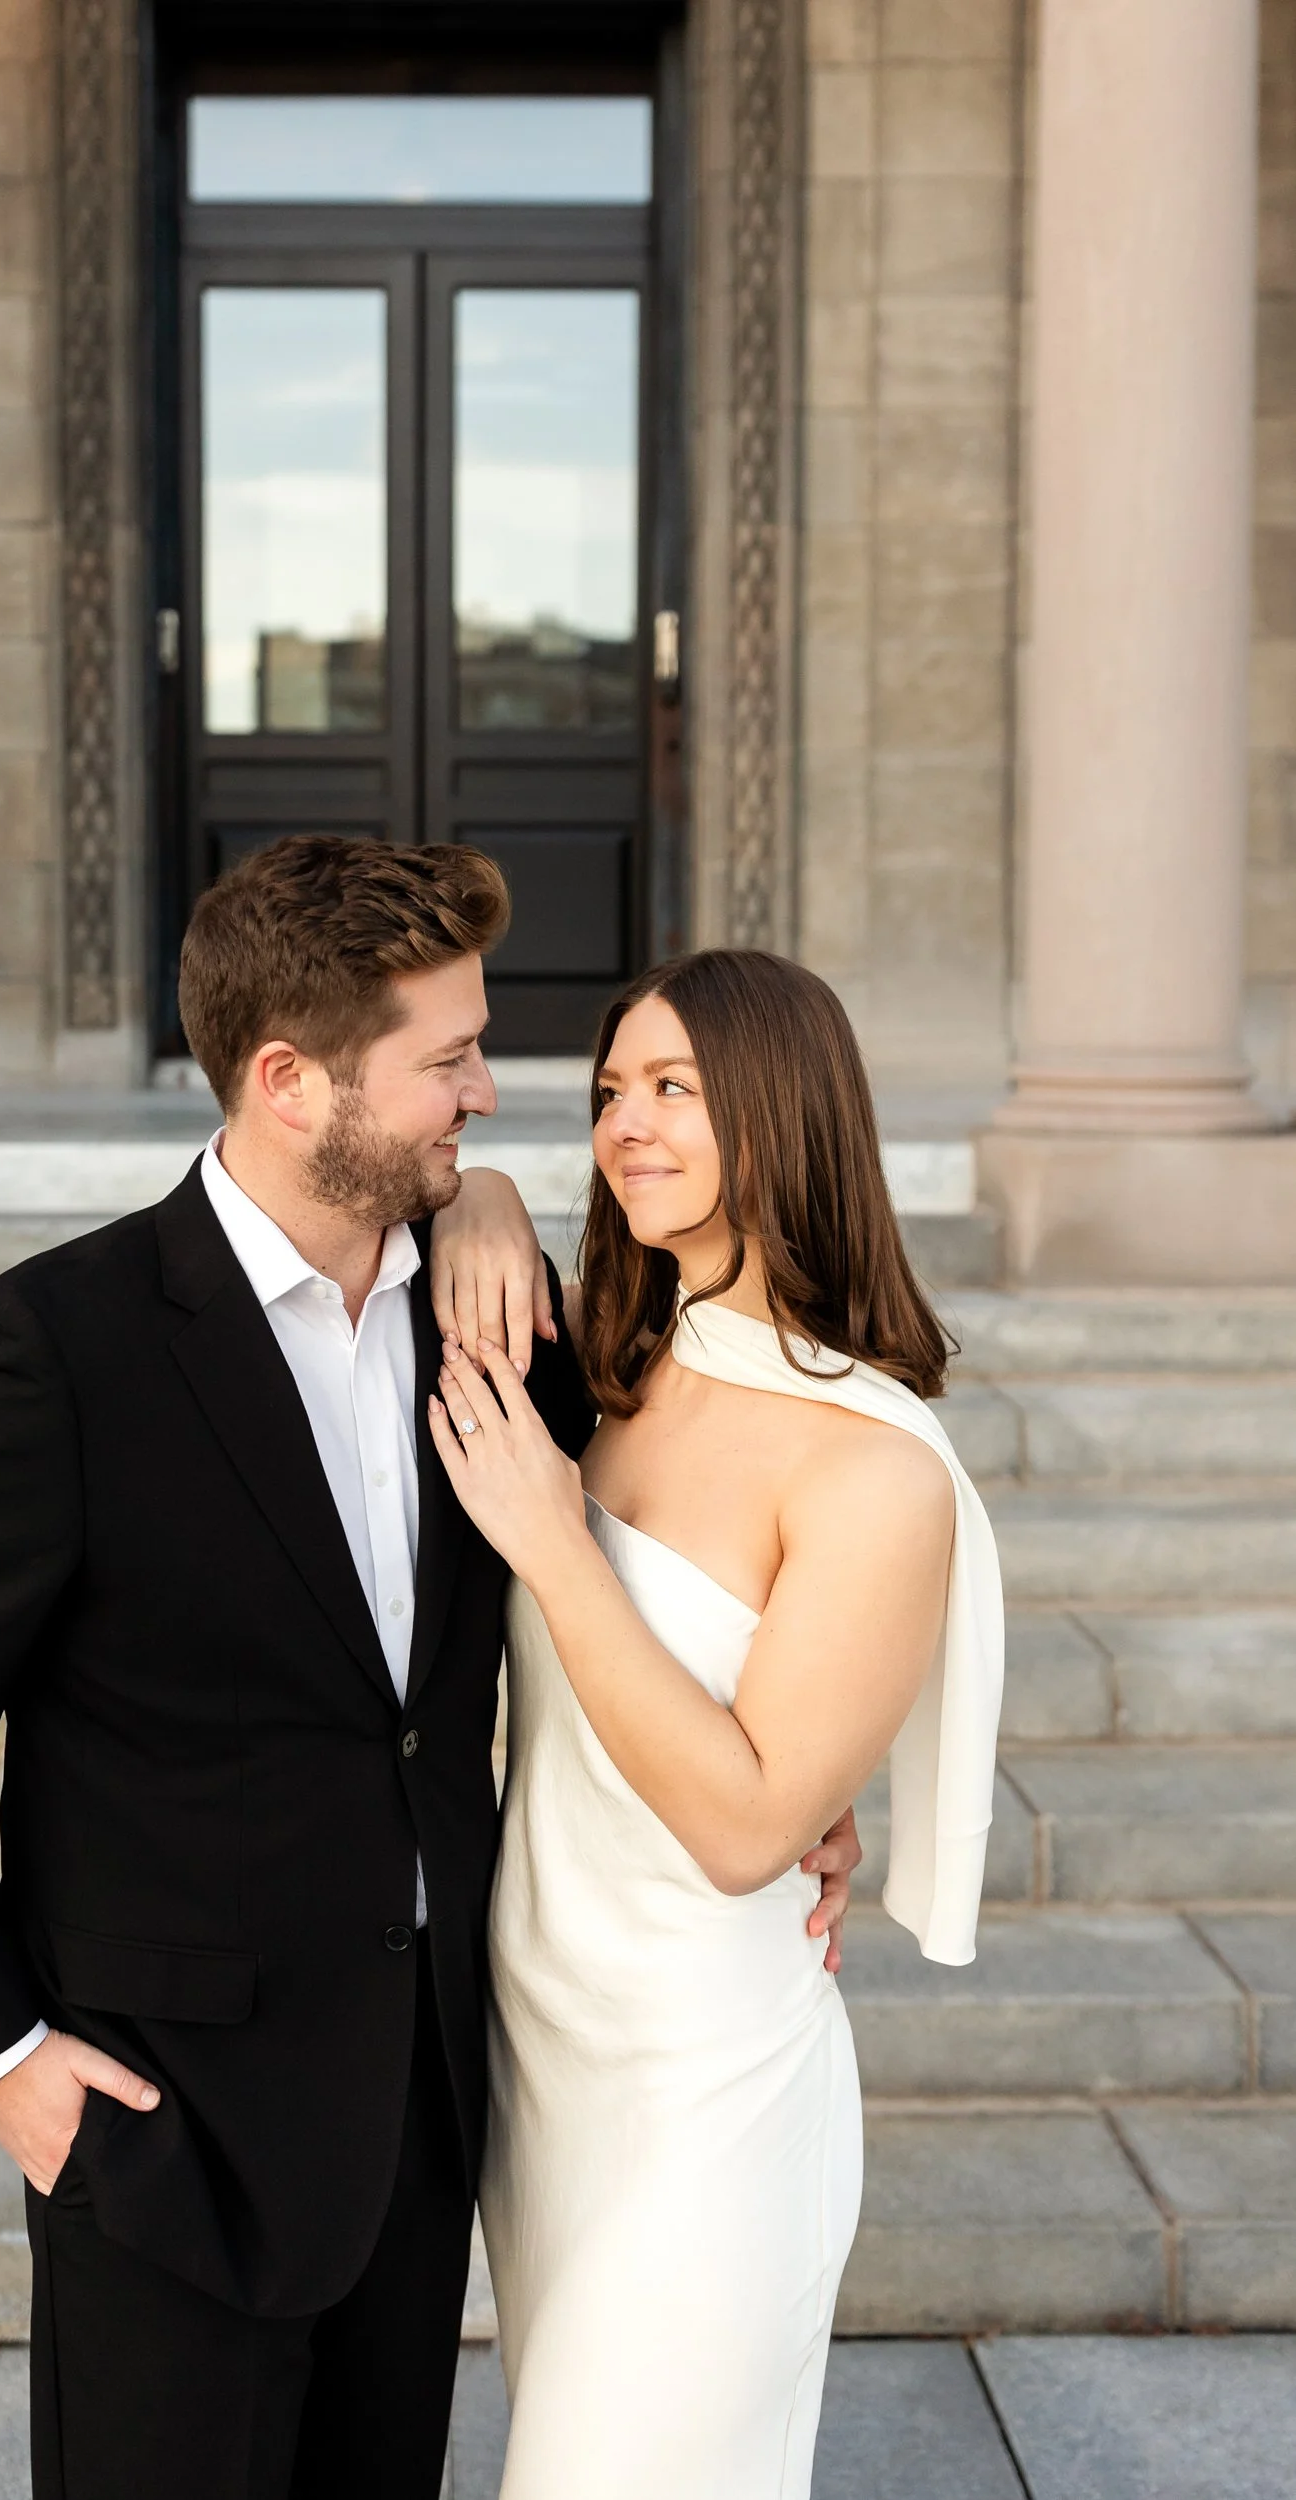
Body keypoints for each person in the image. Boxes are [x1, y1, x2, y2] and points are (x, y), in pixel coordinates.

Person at [0, 838, 860, 2500]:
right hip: (162, 2135)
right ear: (289, 1083)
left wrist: (804, 1768)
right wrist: (1, 2061)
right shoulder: (56, 1347)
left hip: (421, 2112)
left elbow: (669, 1576)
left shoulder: (490, 1317)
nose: (487, 1099)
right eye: (446, 1062)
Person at [427, 949, 1005, 2500]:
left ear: (782, 1110)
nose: (627, 1124)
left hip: (705, 2089)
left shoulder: (871, 1465)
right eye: (612, 1092)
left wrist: (553, 1544)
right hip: (548, 2057)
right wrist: (474, 1199)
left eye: (675, 1089)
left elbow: (752, 1828)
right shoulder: (626, 1372)